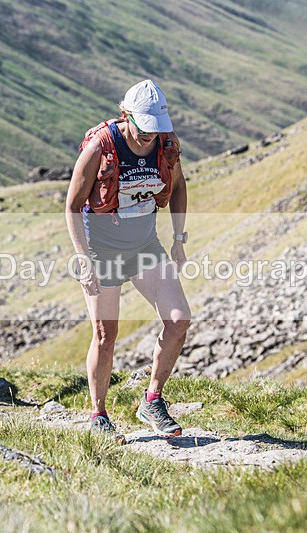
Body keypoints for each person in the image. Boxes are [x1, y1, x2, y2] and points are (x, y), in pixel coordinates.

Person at [66, 80, 191, 438]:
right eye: (143, 129)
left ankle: (152, 400)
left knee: (179, 320)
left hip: (144, 246)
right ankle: (98, 416)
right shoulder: (100, 146)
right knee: (106, 335)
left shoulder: (166, 145)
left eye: (155, 130)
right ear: (126, 115)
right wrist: (83, 258)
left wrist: (179, 239)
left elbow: (179, 186)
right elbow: (72, 207)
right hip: (101, 250)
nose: (148, 137)